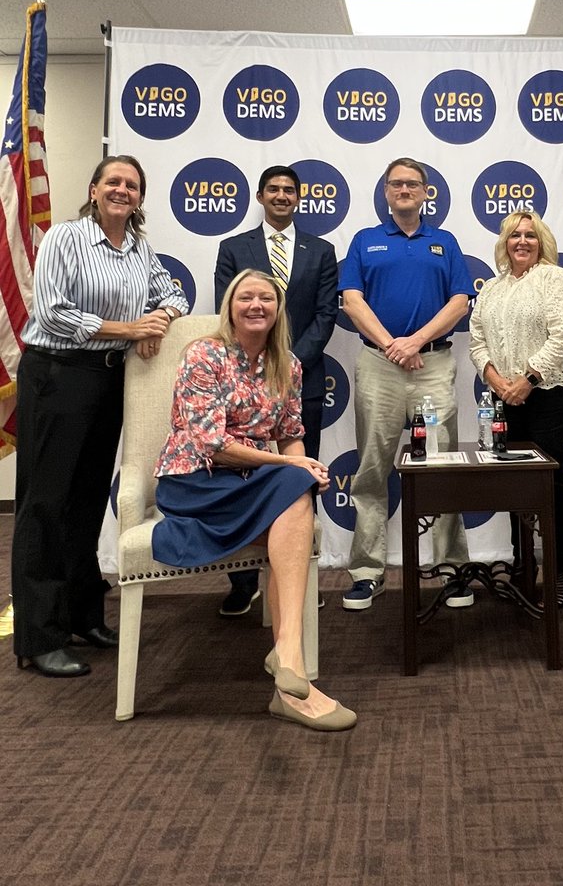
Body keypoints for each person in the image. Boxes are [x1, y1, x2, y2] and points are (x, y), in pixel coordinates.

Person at [152, 268, 356, 731]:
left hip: (243, 482)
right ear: (231, 305)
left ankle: (289, 669)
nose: (257, 305)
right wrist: (292, 468)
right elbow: (212, 444)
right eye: (247, 297)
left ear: (278, 309)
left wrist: (306, 465)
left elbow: (291, 436)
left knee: (297, 491)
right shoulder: (203, 354)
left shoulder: (289, 365)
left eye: (267, 298)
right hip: (194, 482)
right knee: (294, 486)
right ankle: (291, 663)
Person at [12, 155, 187, 678]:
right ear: (94, 189)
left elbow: (172, 292)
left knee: (87, 500)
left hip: (108, 380)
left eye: (132, 185)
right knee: (45, 503)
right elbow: (52, 313)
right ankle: (39, 637)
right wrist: (131, 329)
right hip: (57, 375)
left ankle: (83, 614)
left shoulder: (138, 246)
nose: (122, 191)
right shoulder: (66, 238)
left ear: (140, 198)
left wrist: (160, 319)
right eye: (114, 181)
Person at [339, 157, 473, 611]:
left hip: (432, 366)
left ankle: (452, 568)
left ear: (425, 191)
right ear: (385, 191)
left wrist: (414, 341)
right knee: (373, 469)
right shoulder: (365, 240)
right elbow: (352, 301)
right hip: (379, 365)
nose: (404, 189)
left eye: (412, 183)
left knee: (443, 465)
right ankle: (366, 572)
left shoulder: (445, 241)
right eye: (396, 183)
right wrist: (392, 345)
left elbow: (459, 302)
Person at [214, 165, 337, 617]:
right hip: (241, 383)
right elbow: (229, 310)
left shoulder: (321, 251)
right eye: (274, 190)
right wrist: (263, 364)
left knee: (300, 477)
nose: (282, 197)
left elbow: (326, 314)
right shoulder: (234, 248)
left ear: (298, 198)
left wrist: (289, 364)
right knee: (240, 477)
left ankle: (298, 578)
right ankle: (244, 582)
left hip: (301, 380)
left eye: (289, 191)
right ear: (261, 196)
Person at [468, 211, 563, 607]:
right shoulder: (492, 288)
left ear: (542, 241)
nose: (522, 242)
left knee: (549, 484)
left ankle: (559, 568)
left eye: (531, 235)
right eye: (515, 235)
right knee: (514, 484)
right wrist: (497, 381)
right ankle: (522, 563)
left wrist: (526, 381)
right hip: (503, 397)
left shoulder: (555, 278)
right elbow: (476, 341)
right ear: (504, 242)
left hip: (546, 396)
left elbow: (561, 336)